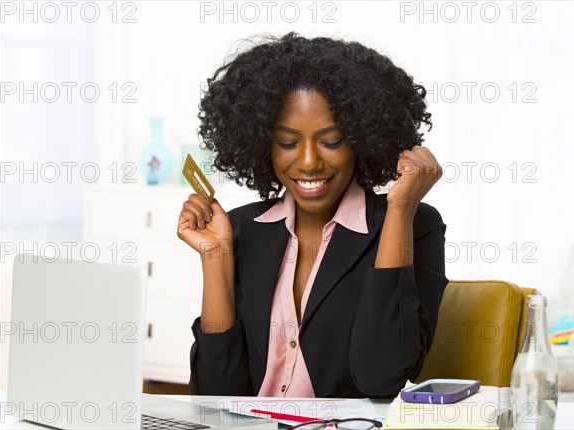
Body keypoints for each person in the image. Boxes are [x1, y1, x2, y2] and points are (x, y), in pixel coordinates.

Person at [177, 32, 447, 399]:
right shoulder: (240, 228)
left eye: (331, 141)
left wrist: (400, 210)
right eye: (288, 142)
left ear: (360, 138)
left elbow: (380, 376)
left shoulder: (415, 226)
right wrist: (216, 257)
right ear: (262, 142)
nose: (307, 162)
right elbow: (213, 396)